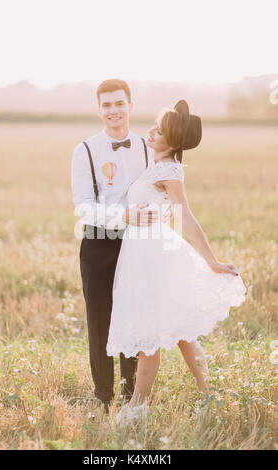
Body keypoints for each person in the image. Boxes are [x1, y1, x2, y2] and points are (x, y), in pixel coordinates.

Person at [106, 100, 247, 426]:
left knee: (151, 337)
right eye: (154, 126)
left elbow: (187, 218)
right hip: (141, 254)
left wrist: (211, 262)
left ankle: (137, 411)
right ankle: (208, 396)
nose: (151, 133)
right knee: (182, 333)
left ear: (174, 142)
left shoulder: (169, 170)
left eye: (160, 131)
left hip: (155, 257)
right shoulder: (156, 163)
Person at [71, 78, 164, 416]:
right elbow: (83, 206)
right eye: (106, 105)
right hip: (98, 242)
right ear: (99, 109)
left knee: (132, 319)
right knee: (100, 319)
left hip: (138, 243)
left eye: (119, 104)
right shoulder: (84, 150)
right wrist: (123, 215)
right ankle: (102, 397)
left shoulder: (146, 147)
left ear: (130, 106)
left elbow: (160, 193)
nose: (113, 111)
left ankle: (129, 398)